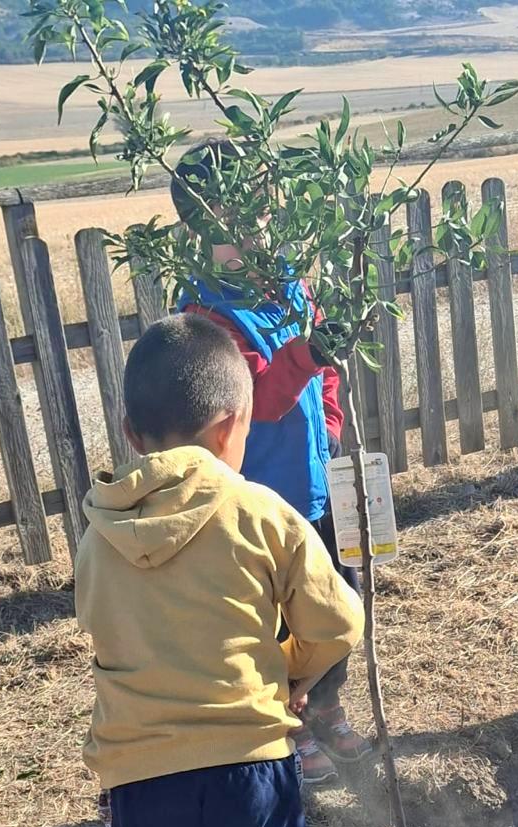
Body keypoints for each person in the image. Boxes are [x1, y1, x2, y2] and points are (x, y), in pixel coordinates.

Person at [75, 315, 364, 827]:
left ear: (132, 433)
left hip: (141, 779)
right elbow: (339, 622)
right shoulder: (261, 512)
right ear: (235, 423)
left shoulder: (97, 535)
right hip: (249, 769)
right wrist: (293, 680)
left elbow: (103, 637)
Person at [170, 142, 372, 785]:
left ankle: (329, 703)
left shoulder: (289, 280)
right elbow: (254, 400)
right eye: (229, 226)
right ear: (199, 229)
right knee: (279, 618)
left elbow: (324, 368)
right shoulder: (204, 313)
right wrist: (309, 353)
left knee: (336, 600)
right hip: (261, 494)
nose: (249, 235)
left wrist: (332, 418)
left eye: (257, 215)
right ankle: (290, 721)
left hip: (316, 477)